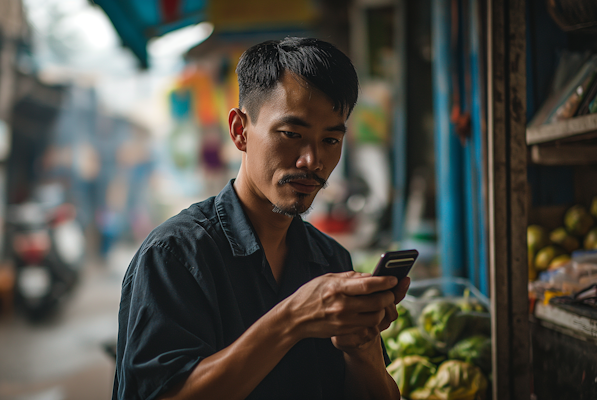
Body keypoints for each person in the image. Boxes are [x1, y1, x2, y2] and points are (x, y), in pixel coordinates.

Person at [112, 37, 410, 400]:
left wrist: (362, 351)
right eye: (291, 134)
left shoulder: (330, 260)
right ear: (240, 130)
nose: (311, 160)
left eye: (330, 140)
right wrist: (291, 320)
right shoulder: (175, 255)